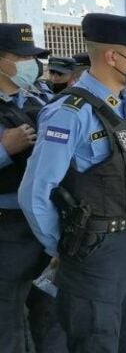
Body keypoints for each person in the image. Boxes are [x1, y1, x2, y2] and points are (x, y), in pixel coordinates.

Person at [19, 13, 126, 351]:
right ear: (111, 56)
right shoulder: (70, 112)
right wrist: (66, 247)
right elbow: (34, 192)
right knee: (97, 342)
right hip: (95, 250)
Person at [0, 23, 59, 352]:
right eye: (20, 56)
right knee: (5, 320)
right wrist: (5, 149)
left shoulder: (40, 98)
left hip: (43, 224)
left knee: (52, 314)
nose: (30, 64)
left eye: (32, 57)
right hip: (6, 229)